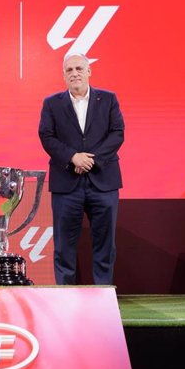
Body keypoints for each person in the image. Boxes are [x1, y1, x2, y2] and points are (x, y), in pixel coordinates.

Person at [38, 52, 125, 285]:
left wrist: (91, 161)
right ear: (64, 75)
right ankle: (65, 295)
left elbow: (117, 133)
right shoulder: (52, 103)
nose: (74, 73)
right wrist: (72, 157)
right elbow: (46, 136)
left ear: (89, 71)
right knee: (64, 245)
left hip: (103, 182)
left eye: (79, 69)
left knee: (105, 244)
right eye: (69, 70)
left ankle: (103, 294)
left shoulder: (108, 99)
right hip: (66, 183)